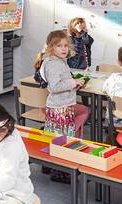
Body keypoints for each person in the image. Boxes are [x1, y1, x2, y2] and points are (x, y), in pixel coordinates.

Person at [35, 30, 90, 183]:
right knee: (62, 140)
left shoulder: (58, 61)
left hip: (63, 105)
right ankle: (59, 173)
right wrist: (73, 83)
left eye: (66, 45)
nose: (64, 49)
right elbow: (55, 87)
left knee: (58, 137)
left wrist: (75, 85)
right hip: (60, 108)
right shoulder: (53, 64)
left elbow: (61, 83)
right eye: (59, 46)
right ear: (51, 47)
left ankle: (50, 166)